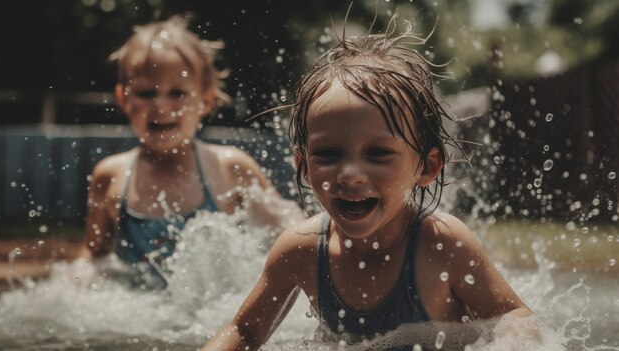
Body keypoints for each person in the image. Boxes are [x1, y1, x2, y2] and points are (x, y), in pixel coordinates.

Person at [201, 19, 534, 350]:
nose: (350, 174)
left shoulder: (442, 245)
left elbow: (514, 317)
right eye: (328, 154)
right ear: (303, 166)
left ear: (428, 167)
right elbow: (244, 332)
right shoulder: (299, 250)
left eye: (377, 153)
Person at [79, 15, 297, 289]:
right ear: (124, 98)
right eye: (146, 93)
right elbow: (93, 255)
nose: (160, 105)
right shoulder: (111, 175)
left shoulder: (229, 167)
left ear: (205, 100)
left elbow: (291, 237)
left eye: (177, 93)